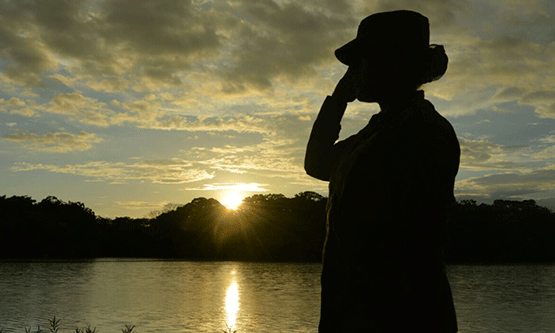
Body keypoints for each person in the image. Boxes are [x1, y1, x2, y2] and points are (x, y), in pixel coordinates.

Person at [304, 10, 459, 332]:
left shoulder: (423, 131)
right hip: (354, 312)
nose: (354, 72)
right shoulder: (377, 131)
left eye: (362, 61)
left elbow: (410, 245)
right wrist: (338, 100)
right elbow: (317, 165)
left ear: (394, 63)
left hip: (397, 316)